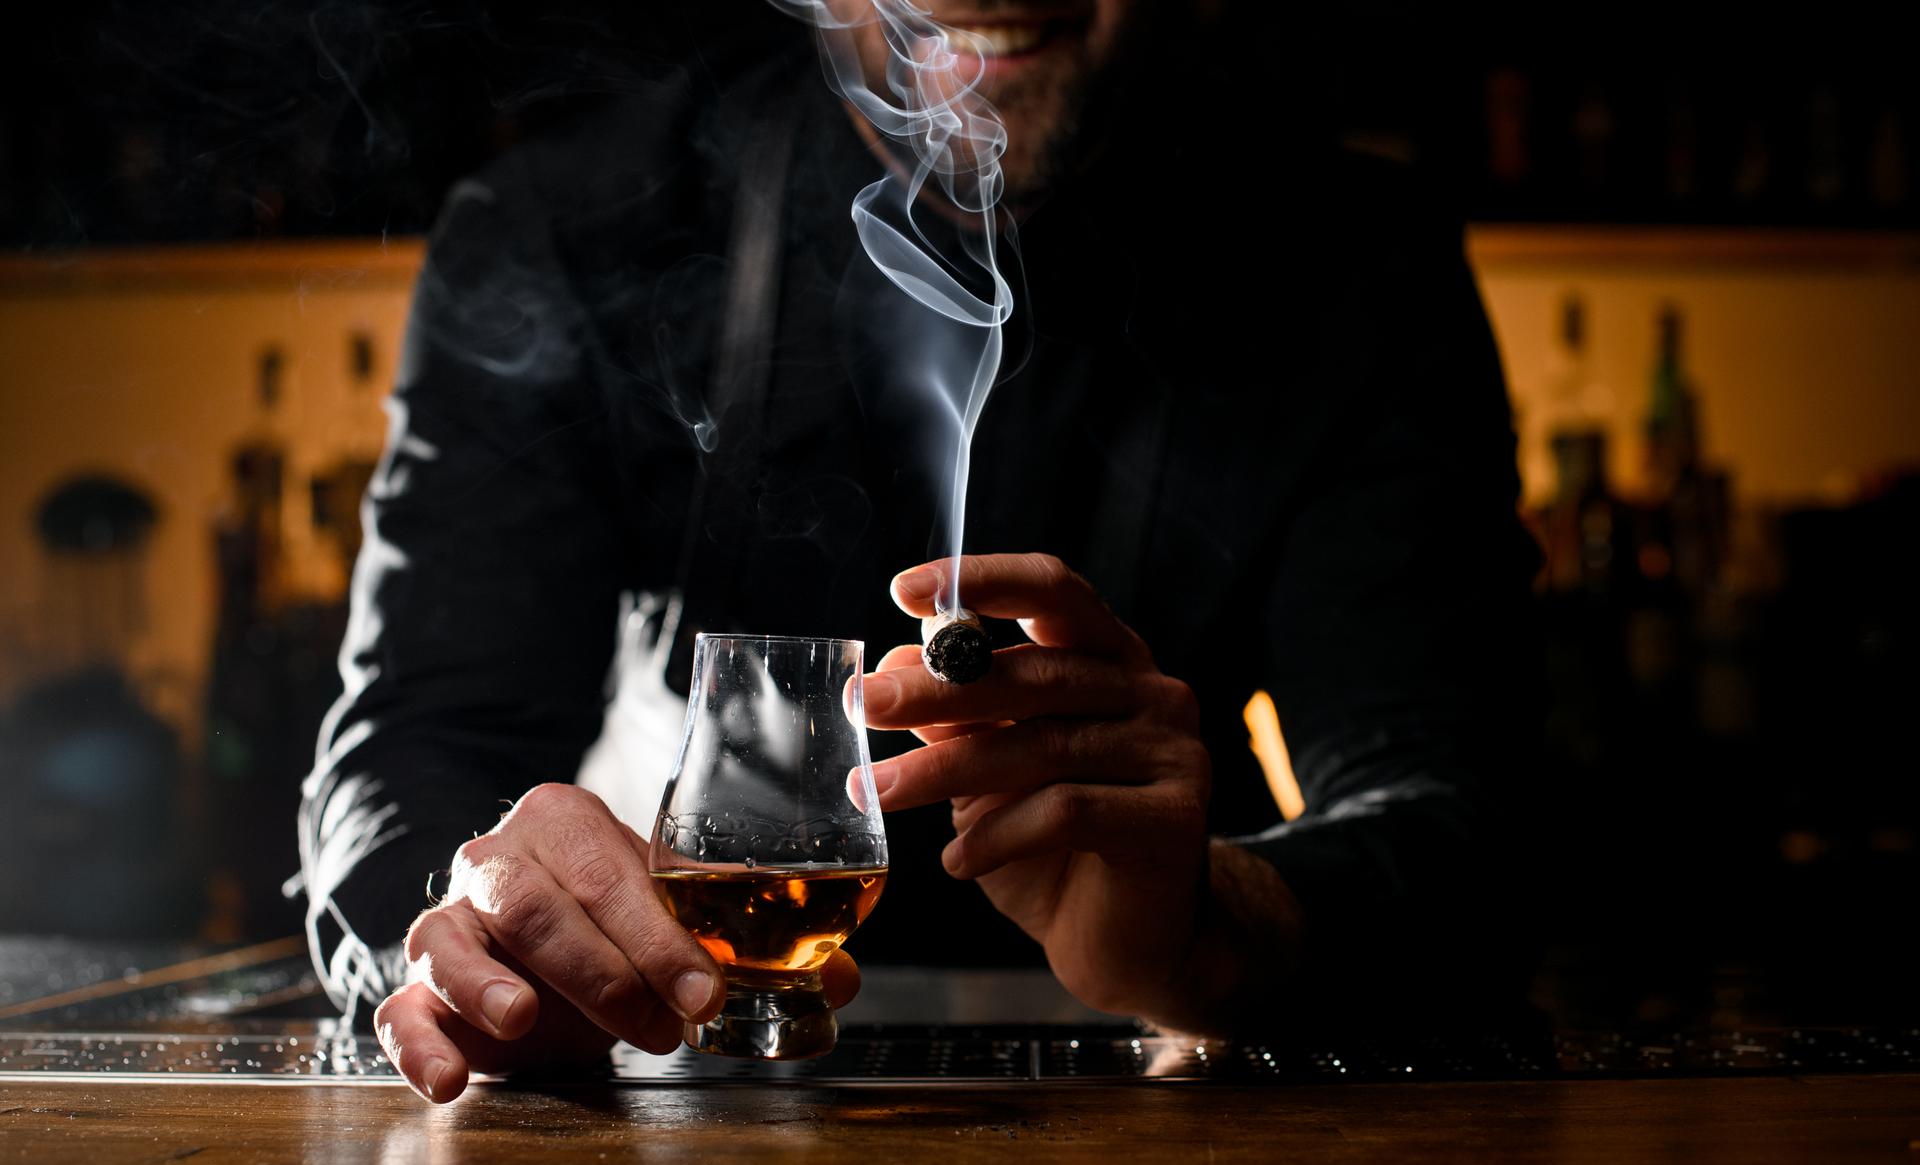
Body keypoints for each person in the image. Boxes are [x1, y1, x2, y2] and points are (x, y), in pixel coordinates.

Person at [299, 0, 1541, 1104]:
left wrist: (1206, 926)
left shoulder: (1356, 267)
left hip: (1168, 1112)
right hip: (672, 1092)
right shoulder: (559, 238)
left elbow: (1466, 814)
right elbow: (412, 747)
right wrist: (482, 925)